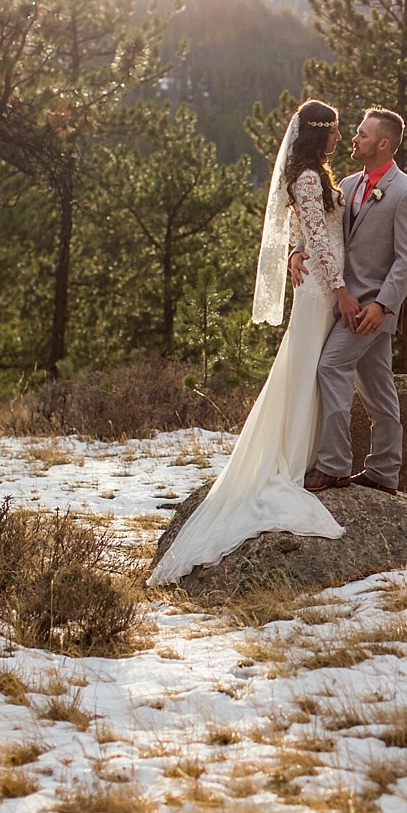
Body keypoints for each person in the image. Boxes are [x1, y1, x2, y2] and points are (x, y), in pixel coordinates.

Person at [148, 100, 355, 586]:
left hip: (323, 284)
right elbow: (319, 241)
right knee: (303, 371)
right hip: (322, 291)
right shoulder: (307, 178)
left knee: (307, 371)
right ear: (320, 133)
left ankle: (305, 453)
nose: (339, 140)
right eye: (336, 132)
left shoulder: (313, 177)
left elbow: (306, 234)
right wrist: (339, 287)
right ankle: (292, 459)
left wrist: (295, 252)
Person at [296, 107, 407, 494]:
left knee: (331, 367)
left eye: (363, 135)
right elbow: (323, 230)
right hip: (342, 304)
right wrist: (298, 250)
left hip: (371, 309)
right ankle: (384, 473)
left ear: (383, 144)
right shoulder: (349, 184)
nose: (353, 139)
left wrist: (384, 306)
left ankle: (333, 464)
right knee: (378, 387)